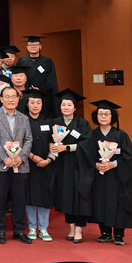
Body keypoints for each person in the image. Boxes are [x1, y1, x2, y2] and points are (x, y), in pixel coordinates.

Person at [0, 86, 33, 244]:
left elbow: (28, 139)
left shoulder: (24, 118)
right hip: (0, 164)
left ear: (19, 99)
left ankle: (19, 230)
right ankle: (0, 230)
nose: (11, 99)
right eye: (7, 96)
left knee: (20, 199)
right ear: (1, 99)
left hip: (20, 164)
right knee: (0, 198)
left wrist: (22, 157)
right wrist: (5, 158)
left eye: (14, 96)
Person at [49, 88, 93, 244]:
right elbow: (50, 141)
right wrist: (52, 146)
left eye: (69, 105)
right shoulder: (55, 122)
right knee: (66, 196)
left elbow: (87, 144)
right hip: (62, 166)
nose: (66, 107)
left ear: (75, 108)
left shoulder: (82, 124)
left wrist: (67, 147)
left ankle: (79, 229)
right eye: (63, 105)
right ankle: (71, 228)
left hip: (79, 165)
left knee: (79, 197)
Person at [88, 99, 132, 246]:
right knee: (100, 201)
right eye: (100, 114)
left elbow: (127, 157)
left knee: (118, 203)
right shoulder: (92, 135)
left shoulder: (121, 135)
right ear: (96, 116)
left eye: (106, 114)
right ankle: (105, 232)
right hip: (99, 175)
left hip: (116, 176)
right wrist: (96, 164)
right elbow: (87, 155)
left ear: (112, 116)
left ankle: (119, 234)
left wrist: (112, 164)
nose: (103, 117)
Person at [23, 89, 55, 242]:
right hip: (27, 164)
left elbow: (54, 143)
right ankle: (31, 227)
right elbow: (19, 142)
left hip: (46, 165)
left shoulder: (49, 122)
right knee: (29, 195)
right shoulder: (22, 120)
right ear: (27, 104)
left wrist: (48, 159)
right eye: (32, 102)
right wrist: (33, 157)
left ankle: (43, 228)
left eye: (38, 102)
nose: (35, 105)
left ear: (42, 104)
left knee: (45, 196)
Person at [17, 36, 59, 117]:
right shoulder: (22, 61)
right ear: (27, 47)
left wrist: (40, 89)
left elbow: (51, 80)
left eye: (36, 44)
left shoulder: (47, 61)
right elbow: (18, 77)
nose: (33, 46)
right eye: (30, 44)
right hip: (26, 95)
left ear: (40, 46)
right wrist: (28, 88)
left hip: (43, 95)